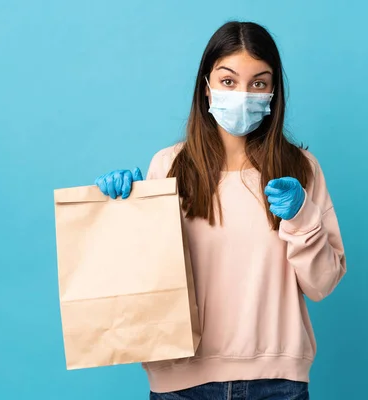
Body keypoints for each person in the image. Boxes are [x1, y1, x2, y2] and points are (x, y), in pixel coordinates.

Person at [94, 21, 347, 400]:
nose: (243, 94)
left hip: (277, 383)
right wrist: (122, 208)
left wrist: (301, 216)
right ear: (206, 86)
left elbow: (322, 283)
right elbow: (144, 280)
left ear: (273, 92)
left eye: (258, 83)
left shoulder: (300, 169)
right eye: (228, 81)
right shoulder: (168, 166)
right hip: (181, 384)